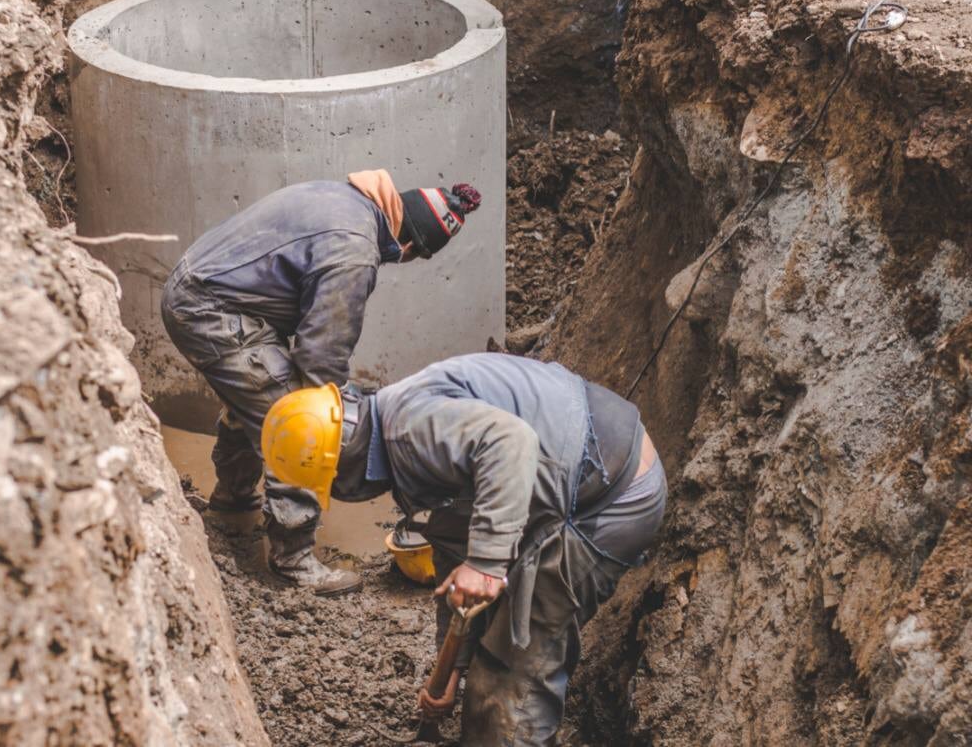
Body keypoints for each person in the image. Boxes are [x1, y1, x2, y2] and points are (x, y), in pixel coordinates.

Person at [260, 353, 667, 744]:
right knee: (487, 641)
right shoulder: (396, 430)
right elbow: (456, 551)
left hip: (612, 494)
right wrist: (451, 666)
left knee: (514, 662)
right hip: (584, 473)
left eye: (335, 487)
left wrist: (488, 563)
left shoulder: (408, 430)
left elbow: (512, 441)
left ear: (343, 467)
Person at [161, 170, 482, 596]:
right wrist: (339, 423)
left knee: (255, 397)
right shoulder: (355, 250)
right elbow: (320, 359)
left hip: (202, 288)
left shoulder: (345, 198)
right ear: (409, 246)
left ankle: (232, 503)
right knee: (295, 417)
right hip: (211, 311)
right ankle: (292, 558)